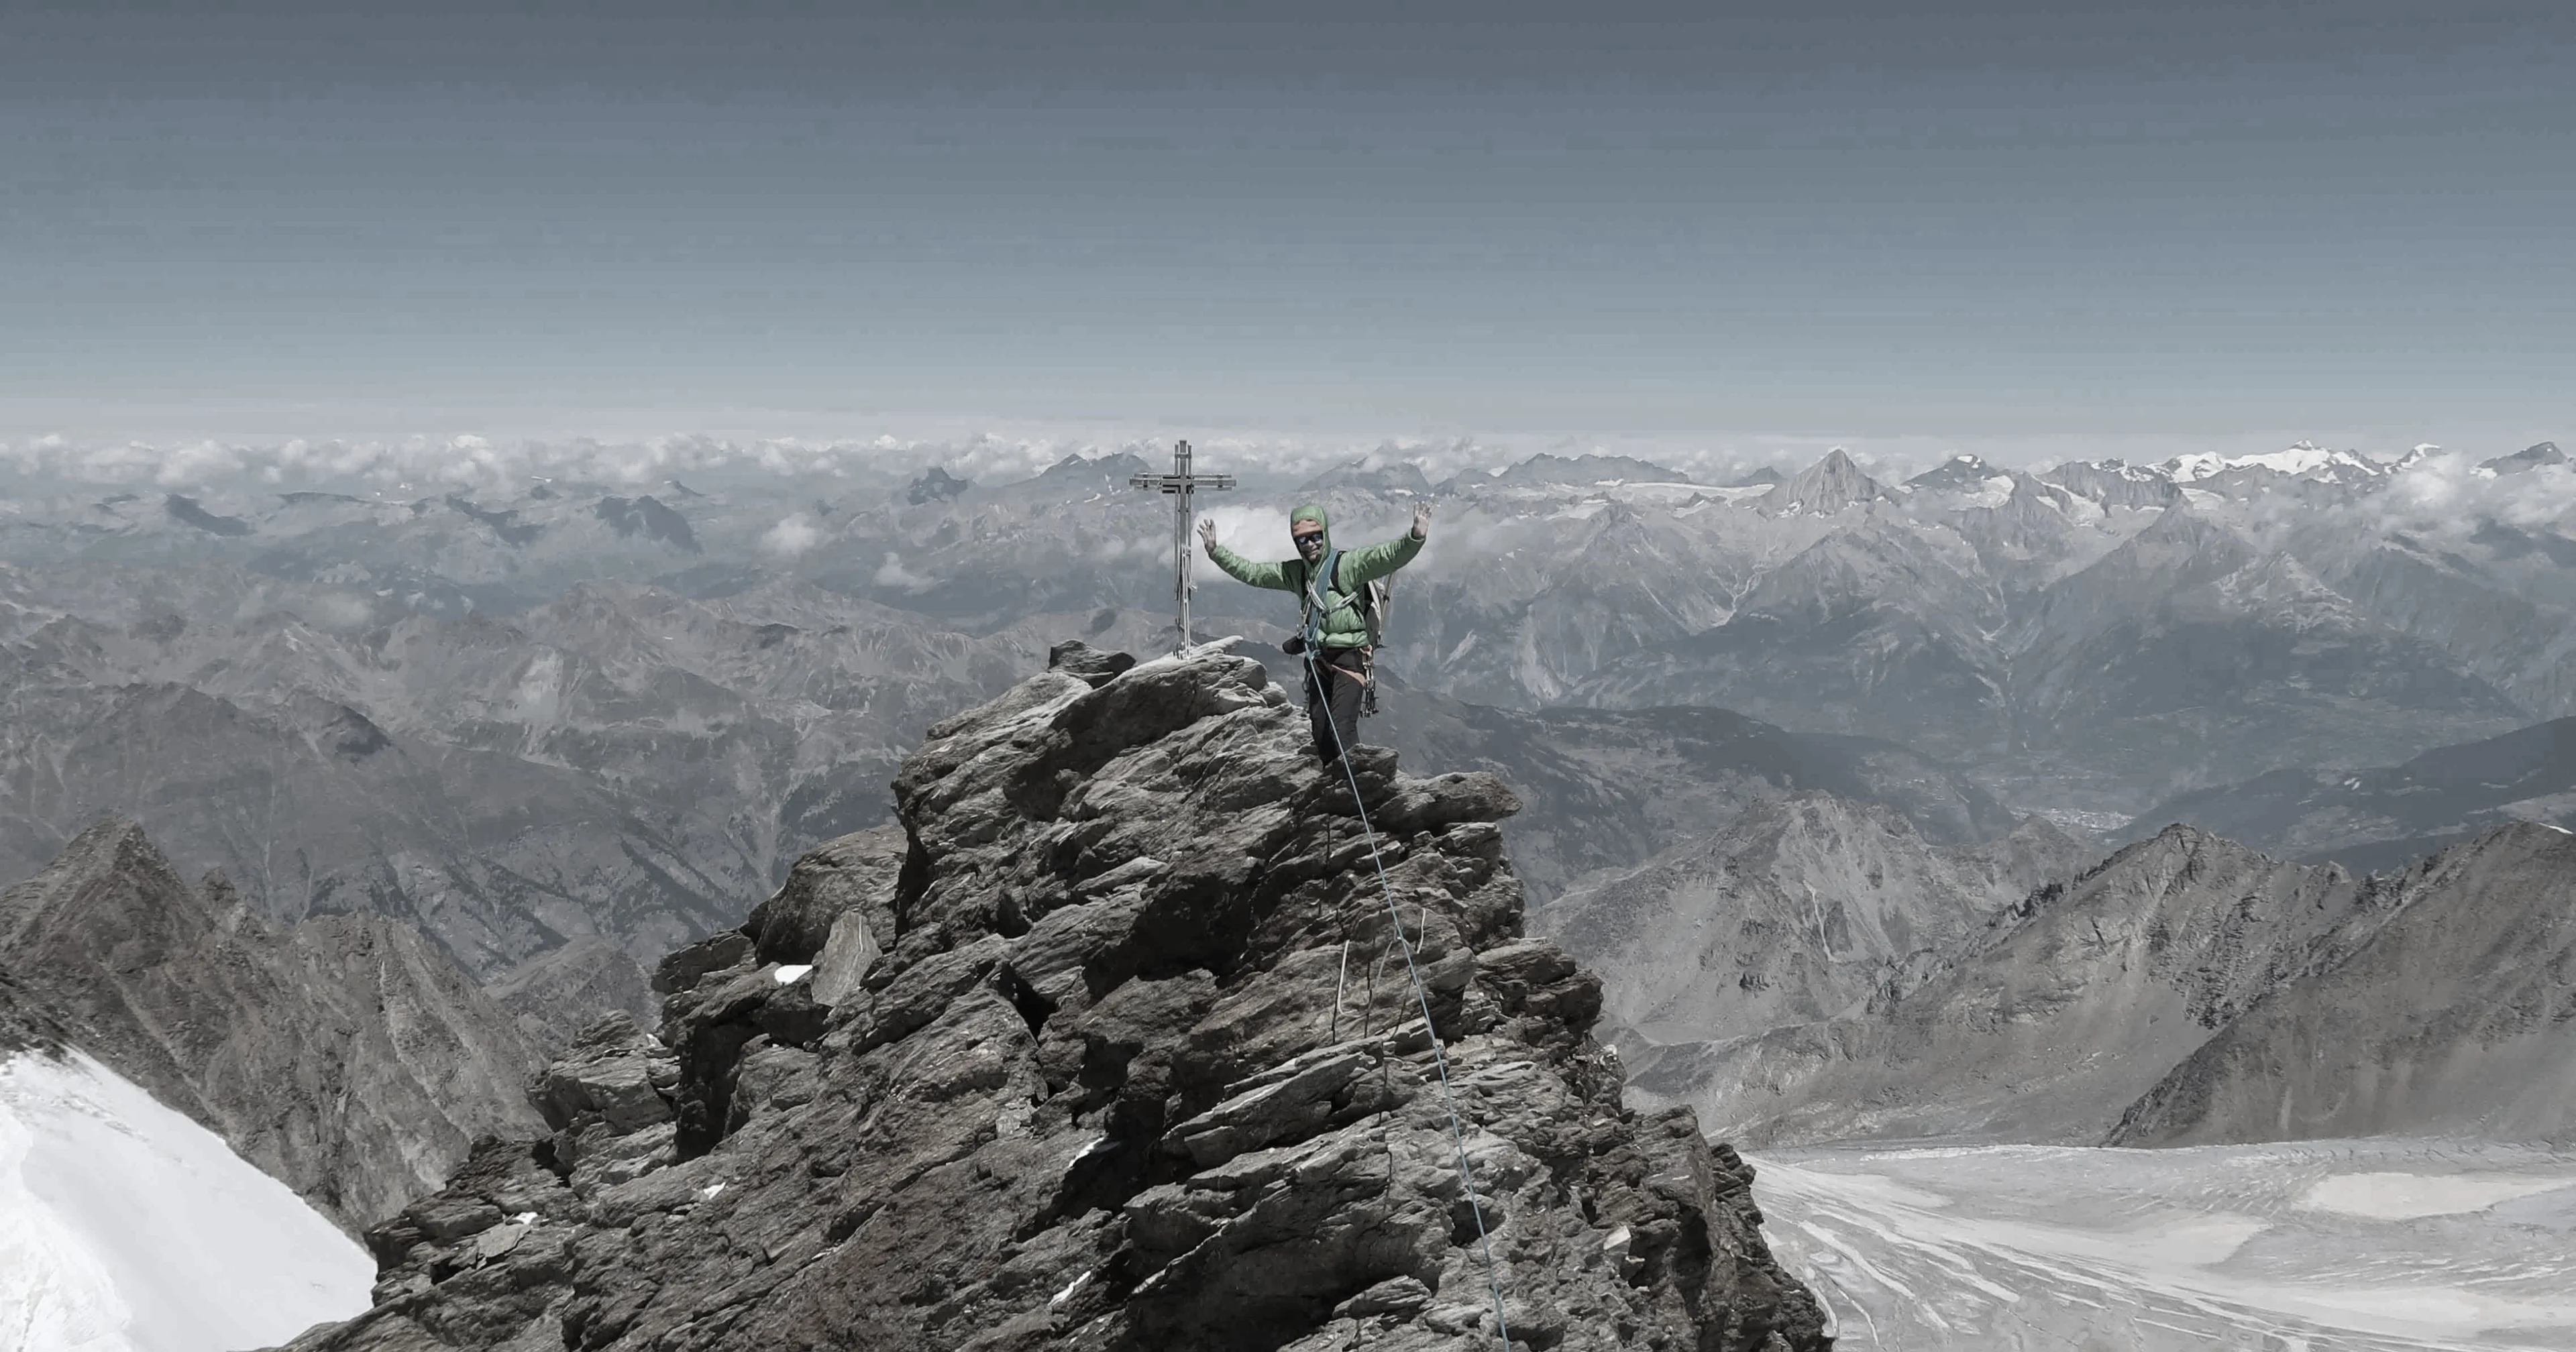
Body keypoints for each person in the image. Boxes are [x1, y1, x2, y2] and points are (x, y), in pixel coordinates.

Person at [1199, 500, 1430, 765]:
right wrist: (1216, 552)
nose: (1309, 544)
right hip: (1319, 661)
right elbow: (1255, 574)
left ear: (1326, 534)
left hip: (1350, 659)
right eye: (1302, 540)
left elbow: (1386, 556)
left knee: (1341, 728)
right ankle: (1336, 788)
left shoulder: (1348, 566)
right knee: (1320, 731)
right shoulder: (1297, 573)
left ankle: (1359, 786)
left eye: (1315, 537)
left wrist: (1415, 538)